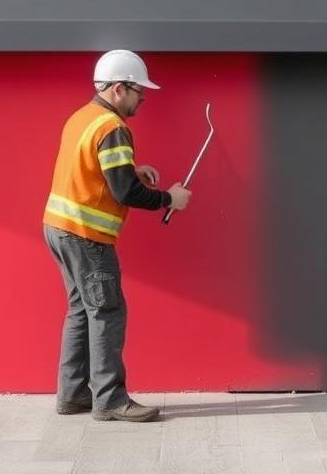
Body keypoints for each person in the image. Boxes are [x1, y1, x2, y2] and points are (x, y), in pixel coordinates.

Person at [42, 49, 191, 422]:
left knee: (81, 309)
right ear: (120, 88)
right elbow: (125, 193)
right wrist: (169, 198)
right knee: (107, 311)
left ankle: (73, 395)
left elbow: (101, 175)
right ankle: (109, 400)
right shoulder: (114, 128)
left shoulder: (84, 117)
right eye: (139, 90)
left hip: (58, 228)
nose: (143, 97)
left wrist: (131, 170)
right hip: (86, 236)